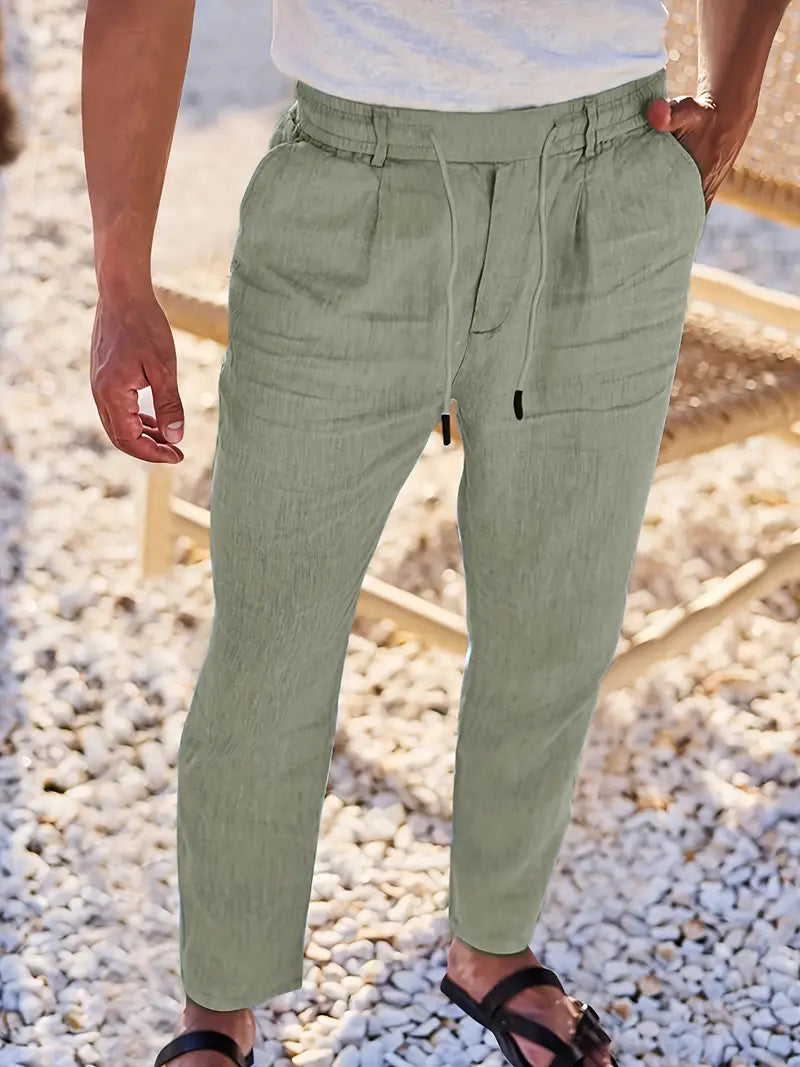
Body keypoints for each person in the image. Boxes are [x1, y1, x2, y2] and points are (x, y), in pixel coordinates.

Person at [82, 2, 790, 1065]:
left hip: (609, 174)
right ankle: (219, 997)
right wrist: (120, 279)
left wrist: (733, 99)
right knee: (271, 629)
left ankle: (494, 942)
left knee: (557, 611)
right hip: (351, 180)